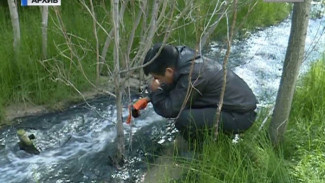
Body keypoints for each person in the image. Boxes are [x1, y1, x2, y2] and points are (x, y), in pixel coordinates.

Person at [143, 43, 258, 143]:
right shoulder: (181, 58)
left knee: (184, 119)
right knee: (187, 107)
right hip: (235, 107)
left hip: (241, 116)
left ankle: (200, 149)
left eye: (156, 77)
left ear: (168, 71)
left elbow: (170, 110)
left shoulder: (194, 74)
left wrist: (156, 92)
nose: (156, 81)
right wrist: (149, 98)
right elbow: (174, 83)